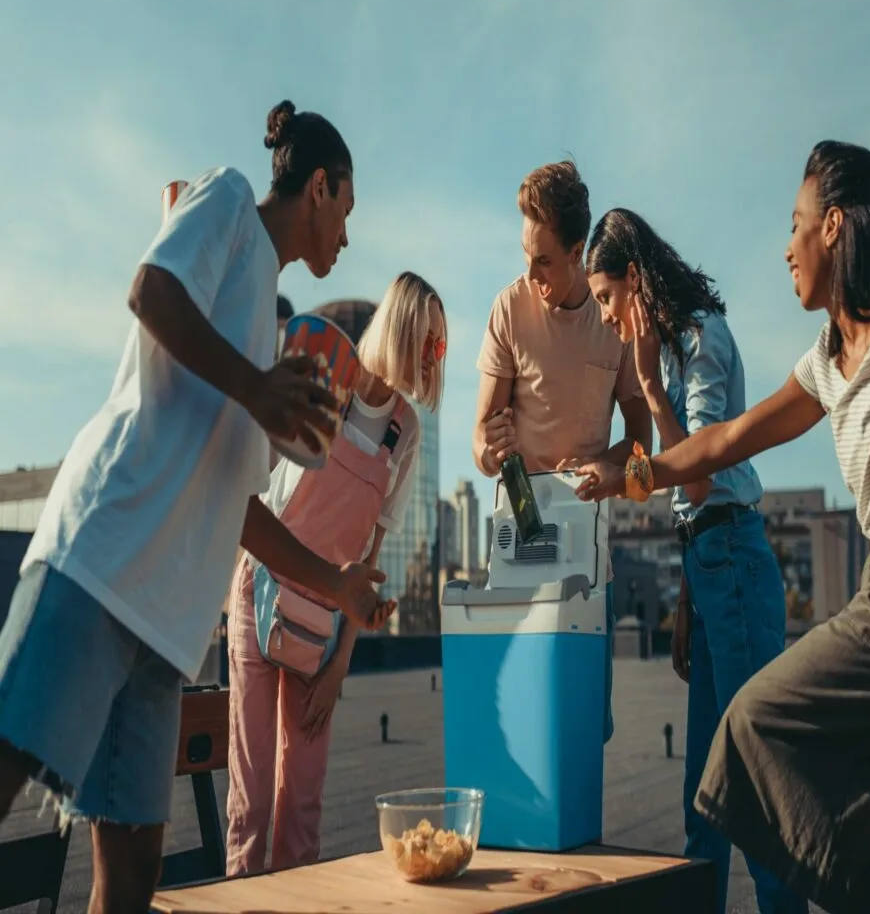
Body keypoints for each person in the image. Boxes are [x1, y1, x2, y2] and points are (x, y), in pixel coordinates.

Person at [576, 141, 870, 913]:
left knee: (755, 719)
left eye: (796, 224)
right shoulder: (828, 356)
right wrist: (629, 476)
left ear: (835, 228)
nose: (785, 247)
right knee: (766, 742)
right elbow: (722, 443)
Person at [0, 100, 395, 914]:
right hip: (102, 560)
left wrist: (337, 584)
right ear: (318, 186)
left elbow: (242, 510)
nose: (347, 237)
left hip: (164, 632)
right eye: (346, 211)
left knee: (136, 871)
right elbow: (149, 290)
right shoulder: (227, 201)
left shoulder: (269, 339)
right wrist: (255, 390)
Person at [584, 208, 806, 914]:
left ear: (637, 281)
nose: (608, 319)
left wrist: (648, 389)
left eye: (608, 300)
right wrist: (686, 605)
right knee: (704, 797)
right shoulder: (671, 347)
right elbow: (688, 501)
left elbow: (701, 477)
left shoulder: (701, 338)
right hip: (709, 571)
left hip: (735, 563)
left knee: (754, 780)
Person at [225, 272, 446, 875]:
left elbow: (369, 562)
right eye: (430, 343)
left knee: (301, 810)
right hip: (257, 597)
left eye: (441, 348)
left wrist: (341, 663)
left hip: (322, 630)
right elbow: (262, 491)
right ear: (401, 333)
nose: (435, 359)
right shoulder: (331, 378)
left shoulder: (407, 432)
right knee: (249, 809)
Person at [473, 160, 652, 743]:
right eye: (526, 256)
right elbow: (480, 438)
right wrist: (488, 448)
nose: (531, 273)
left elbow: (642, 440)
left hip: (586, 547)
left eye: (544, 260)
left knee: (582, 722)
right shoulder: (508, 308)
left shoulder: (613, 320)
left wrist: (607, 465)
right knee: (513, 719)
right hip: (518, 539)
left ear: (579, 250)